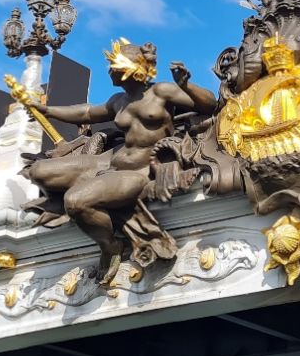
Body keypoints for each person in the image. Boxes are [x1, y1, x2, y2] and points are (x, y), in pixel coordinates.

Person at [27, 38, 218, 281]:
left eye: (114, 68)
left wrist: (187, 85)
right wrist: (47, 111)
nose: (109, 72)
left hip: (140, 172)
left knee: (75, 201)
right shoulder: (118, 101)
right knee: (39, 171)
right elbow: (86, 112)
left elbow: (210, 104)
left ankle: (110, 245)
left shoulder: (162, 92)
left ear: (128, 70)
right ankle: (98, 201)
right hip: (108, 163)